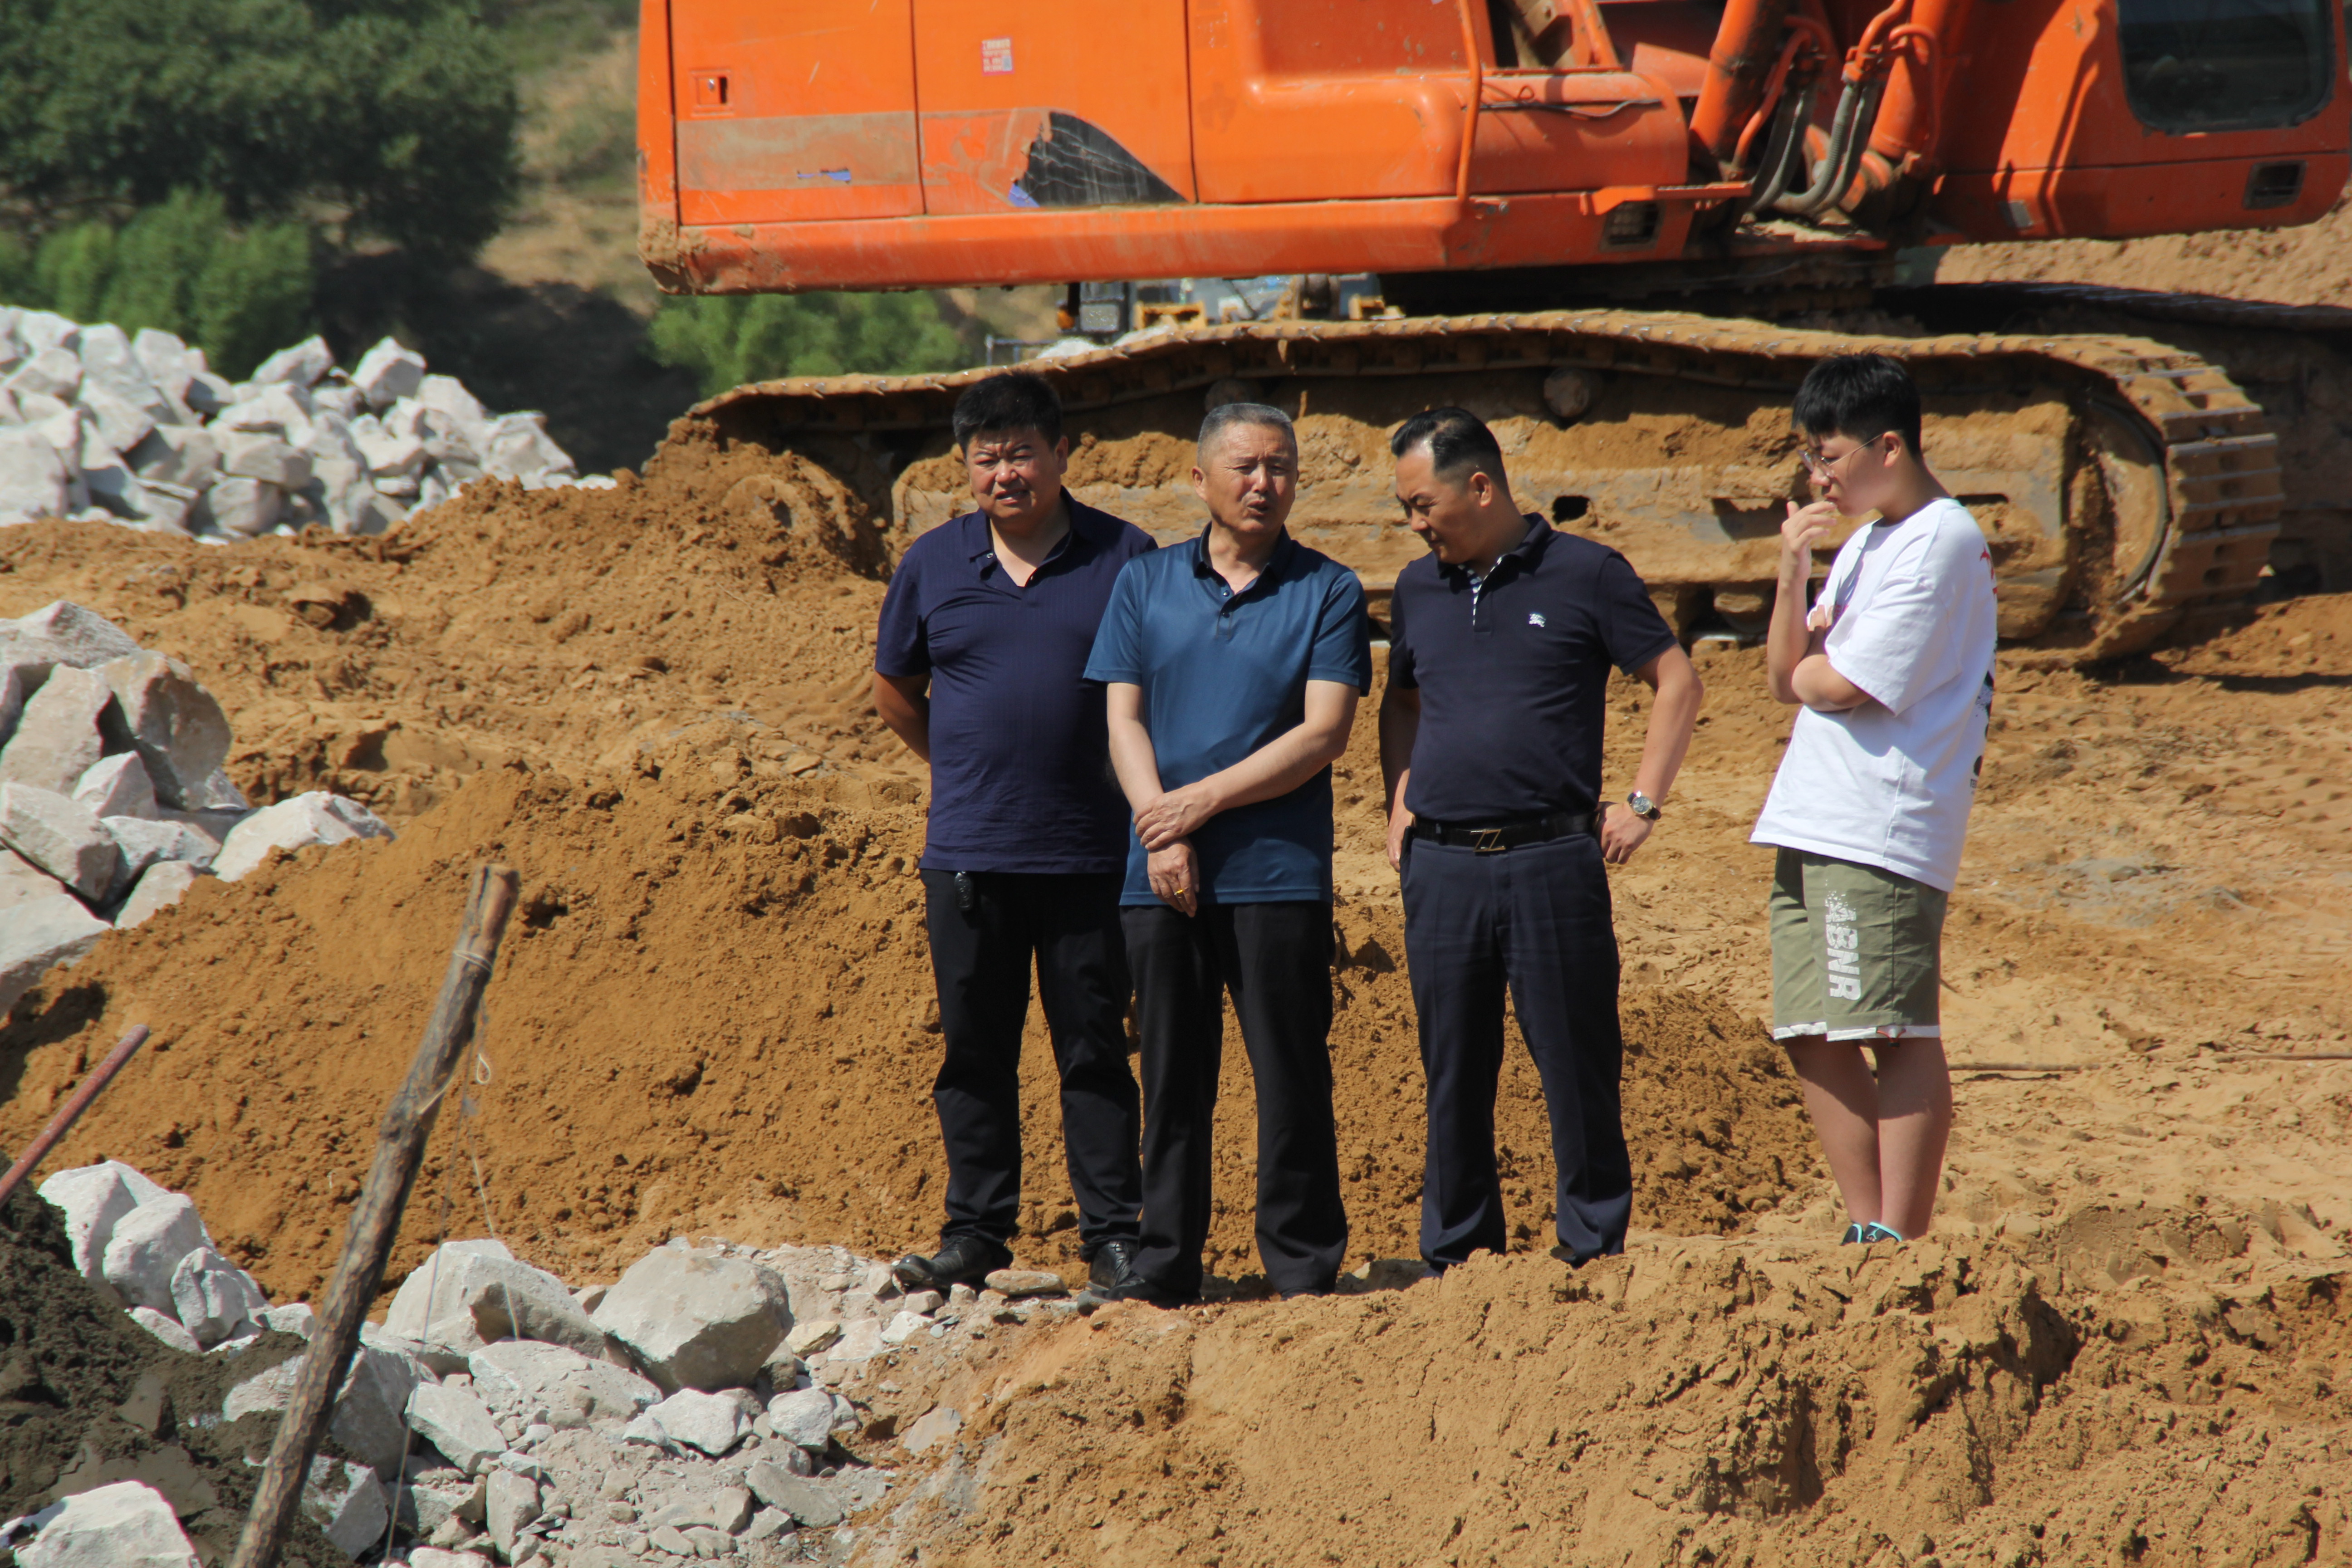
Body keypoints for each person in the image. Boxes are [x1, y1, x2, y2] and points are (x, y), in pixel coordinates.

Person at [1379, 407, 1704, 1272]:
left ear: (1480, 487)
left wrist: (1643, 803)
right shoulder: (1417, 589)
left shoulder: (1587, 574)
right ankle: (1458, 1257)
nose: (1414, 524)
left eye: (1422, 504)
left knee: (1577, 1063)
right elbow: (1402, 701)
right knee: (1452, 1070)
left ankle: (1591, 1251)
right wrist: (1398, 802)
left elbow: (1676, 680)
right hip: (1441, 867)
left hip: (1552, 862)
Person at [871, 371, 1156, 1295]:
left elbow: (1159, 689)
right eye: (986, 459)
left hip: (1091, 855)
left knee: (1095, 1053)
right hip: (970, 857)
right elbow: (895, 691)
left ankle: (1113, 1236)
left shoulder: (1126, 557)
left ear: (1061, 453)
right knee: (975, 1054)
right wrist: (964, 769)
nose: (1006, 474)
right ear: (965, 467)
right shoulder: (933, 563)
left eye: (1022, 453)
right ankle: (976, 1233)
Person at [1082, 401, 1373, 1305]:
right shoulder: (1143, 583)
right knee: (1172, 1075)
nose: (1263, 484)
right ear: (1199, 479)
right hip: (1159, 874)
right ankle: (1166, 1263)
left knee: (1291, 1072)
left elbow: (1324, 734)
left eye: (1280, 467)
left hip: (1277, 870)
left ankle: (1302, 1264)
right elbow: (1122, 719)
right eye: (1245, 467)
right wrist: (1159, 828)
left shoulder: (1329, 590)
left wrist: (1198, 803)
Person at [1752, 352, 1998, 1245]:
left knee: (1892, 1029)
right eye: (1810, 459)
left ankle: (1901, 1238)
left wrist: (1815, 671)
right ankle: (1868, 1232)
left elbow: (1841, 682)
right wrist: (1793, 570)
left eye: (1828, 457)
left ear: (1888, 447)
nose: (1817, 478)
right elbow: (1786, 676)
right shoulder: (1865, 542)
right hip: (1817, 813)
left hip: (1882, 823)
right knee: (1809, 1028)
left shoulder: (1943, 541)